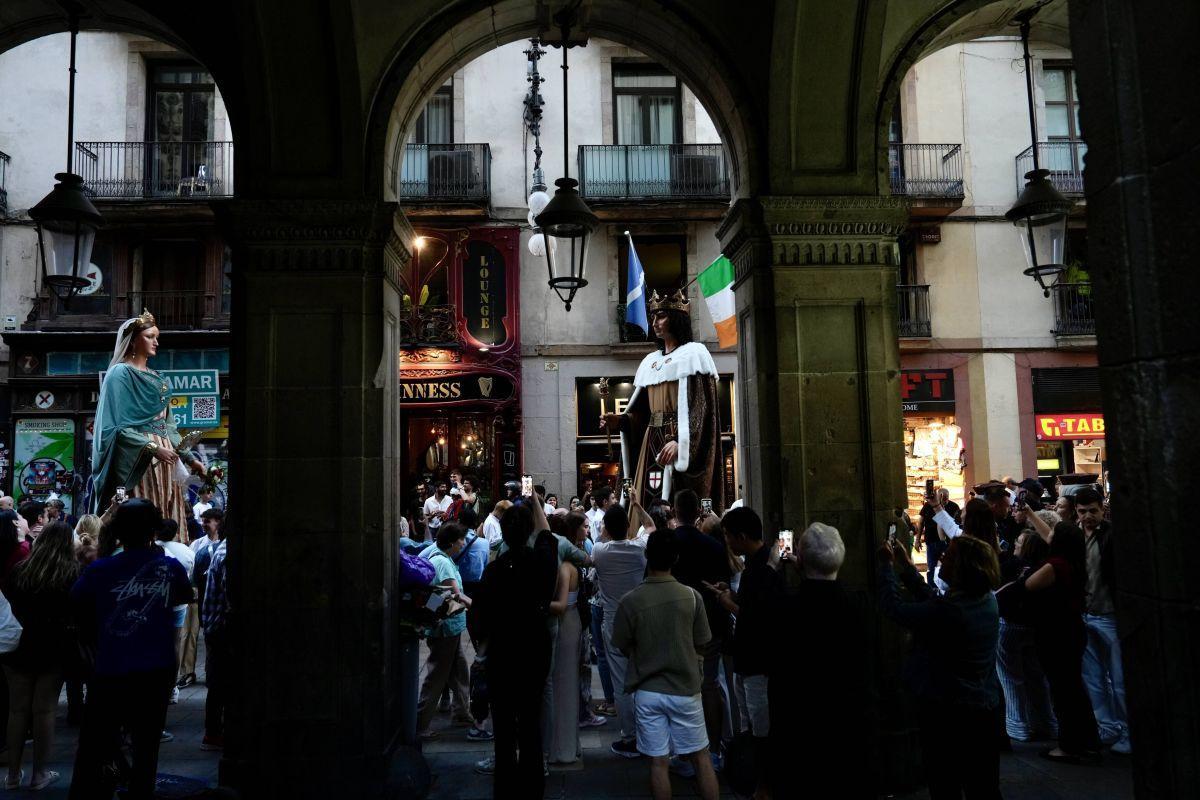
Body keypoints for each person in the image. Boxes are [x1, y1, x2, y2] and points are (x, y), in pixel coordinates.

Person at [69, 498, 192, 799]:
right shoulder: (170, 568)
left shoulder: (99, 570)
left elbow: (75, 605)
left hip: (110, 667)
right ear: (153, 531)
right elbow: (182, 599)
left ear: (119, 532)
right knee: (146, 745)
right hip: (155, 669)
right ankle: (140, 791)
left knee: (97, 741)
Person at [878, 535, 1003, 799]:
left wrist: (886, 568)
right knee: (983, 784)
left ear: (961, 567)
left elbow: (896, 609)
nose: (943, 556)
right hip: (984, 706)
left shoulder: (951, 612)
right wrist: (908, 567)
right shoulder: (984, 600)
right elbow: (933, 600)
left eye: (950, 554)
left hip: (950, 710)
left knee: (945, 780)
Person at [768, 522, 874, 799]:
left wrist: (774, 570)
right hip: (848, 728)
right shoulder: (858, 605)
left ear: (800, 559)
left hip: (800, 732)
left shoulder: (787, 608)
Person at [612, 531, 718, 800]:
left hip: (648, 689)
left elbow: (622, 644)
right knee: (701, 757)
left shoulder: (631, 600)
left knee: (658, 762)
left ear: (647, 556)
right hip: (685, 688)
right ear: (677, 559)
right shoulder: (692, 597)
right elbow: (702, 641)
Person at [602, 289, 725, 513]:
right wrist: (622, 421)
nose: (655, 322)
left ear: (676, 320)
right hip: (651, 440)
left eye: (661, 316)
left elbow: (701, 409)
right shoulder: (650, 361)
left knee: (675, 499)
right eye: (654, 317)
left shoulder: (694, 354)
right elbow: (642, 413)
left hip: (676, 439)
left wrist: (682, 442)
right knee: (646, 492)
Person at [90, 310, 206, 532]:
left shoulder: (157, 377)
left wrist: (191, 460)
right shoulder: (120, 374)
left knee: (166, 508)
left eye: (157, 337)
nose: (157, 342)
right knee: (142, 510)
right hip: (138, 457)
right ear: (133, 340)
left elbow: (168, 427)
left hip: (166, 458)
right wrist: (152, 448)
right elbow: (116, 427)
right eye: (150, 336)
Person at [471, 504, 556, 796]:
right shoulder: (542, 565)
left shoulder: (494, 571)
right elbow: (547, 536)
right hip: (533, 652)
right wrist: (534, 505)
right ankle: (533, 789)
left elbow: (479, 620)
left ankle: (506, 788)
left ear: (504, 533)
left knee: (504, 730)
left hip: (503, 657)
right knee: (531, 724)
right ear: (529, 530)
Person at [1016, 516, 1103, 762]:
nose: (1049, 536)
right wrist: (1031, 513)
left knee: (1063, 692)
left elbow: (1027, 586)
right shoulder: (1075, 561)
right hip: (1072, 630)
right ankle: (1087, 741)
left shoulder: (1055, 565)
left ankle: (1069, 744)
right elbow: (1048, 535)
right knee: (1074, 689)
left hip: (1056, 634)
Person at [706, 507, 777, 800]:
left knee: (760, 728)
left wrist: (729, 604)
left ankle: (764, 785)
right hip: (748, 660)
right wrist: (731, 594)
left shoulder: (763, 570)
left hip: (758, 662)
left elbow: (759, 618)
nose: (726, 541)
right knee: (750, 724)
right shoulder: (754, 567)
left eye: (727, 535)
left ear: (742, 536)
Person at [2, 521, 79, 790]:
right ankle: (39, 774)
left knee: (17, 709)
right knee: (44, 710)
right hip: (53, 647)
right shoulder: (71, 573)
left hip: (17, 646)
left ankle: (12, 774)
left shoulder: (20, 571)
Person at [668, 490, 730, 772]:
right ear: (697, 513)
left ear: (675, 512)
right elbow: (723, 584)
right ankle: (713, 751)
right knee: (709, 686)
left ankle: (685, 753)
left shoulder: (668, 544)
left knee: (680, 687)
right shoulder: (715, 547)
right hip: (710, 623)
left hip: (677, 625)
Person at [1074, 487, 1129, 754]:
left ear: (1102, 508)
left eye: (1092, 511)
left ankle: (1126, 730)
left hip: (1109, 615)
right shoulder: (1074, 536)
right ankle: (1107, 727)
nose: (1087, 516)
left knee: (1119, 680)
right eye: (1082, 511)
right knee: (1093, 678)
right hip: (1085, 614)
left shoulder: (1112, 536)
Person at [591, 504, 647, 758]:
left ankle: (630, 735)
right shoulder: (640, 549)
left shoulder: (600, 550)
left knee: (621, 679)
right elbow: (651, 527)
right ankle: (649, 732)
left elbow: (600, 544)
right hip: (640, 618)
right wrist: (636, 504)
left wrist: (605, 533)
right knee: (644, 675)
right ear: (628, 526)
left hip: (614, 620)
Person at [996, 526, 1058, 743]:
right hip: (1034, 627)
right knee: (1037, 677)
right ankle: (1047, 723)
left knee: (1010, 677)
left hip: (1010, 624)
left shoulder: (1013, 566)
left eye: (1019, 544)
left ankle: (1017, 725)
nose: (1015, 546)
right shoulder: (1043, 568)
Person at [415, 523, 474, 739]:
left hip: (451, 626)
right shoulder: (442, 562)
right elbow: (456, 595)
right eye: (461, 539)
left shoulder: (444, 558)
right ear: (451, 542)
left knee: (459, 670)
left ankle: (461, 712)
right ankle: (420, 724)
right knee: (437, 675)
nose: (463, 543)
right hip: (446, 628)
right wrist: (477, 606)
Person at [546, 536, 583, 764]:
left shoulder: (562, 568)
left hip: (564, 624)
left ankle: (560, 746)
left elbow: (559, 606)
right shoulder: (572, 566)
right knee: (567, 684)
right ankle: (568, 744)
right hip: (573, 621)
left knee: (560, 685)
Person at [156, 520, 195, 705]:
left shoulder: (151, 548)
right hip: (178, 605)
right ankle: (172, 686)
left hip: (156, 604)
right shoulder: (186, 551)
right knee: (175, 643)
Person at [201, 518, 231, 751]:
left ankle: (213, 732)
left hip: (214, 627)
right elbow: (231, 598)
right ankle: (214, 733)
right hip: (222, 629)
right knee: (221, 683)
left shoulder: (221, 551)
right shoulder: (227, 554)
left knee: (217, 683)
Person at [918, 487, 959, 587]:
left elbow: (952, 526)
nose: (945, 500)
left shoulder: (954, 506)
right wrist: (917, 539)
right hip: (931, 541)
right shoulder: (928, 506)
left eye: (947, 498)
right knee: (932, 568)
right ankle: (932, 589)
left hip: (948, 544)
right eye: (943, 498)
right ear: (938, 497)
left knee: (946, 567)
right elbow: (921, 521)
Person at [0, 510, 31, 586]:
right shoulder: (24, 549)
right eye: (22, 518)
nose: (25, 520)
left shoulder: (10, 546)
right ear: (16, 522)